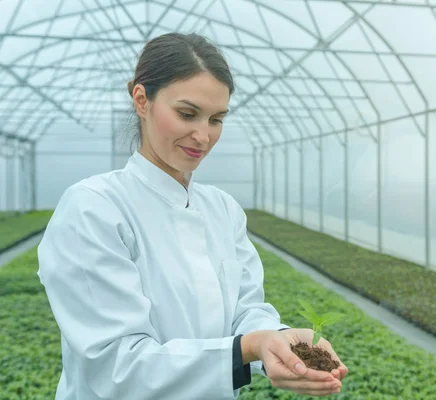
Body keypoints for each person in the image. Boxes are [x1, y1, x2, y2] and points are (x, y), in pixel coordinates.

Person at [36, 32, 347, 400]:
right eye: (187, 114)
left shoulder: (223, 209)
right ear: (142, 100)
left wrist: (278, 341)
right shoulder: (94, 208)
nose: (202, 136)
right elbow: (116, 367)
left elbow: (247, 310)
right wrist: (246, 348)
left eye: (216, 119)